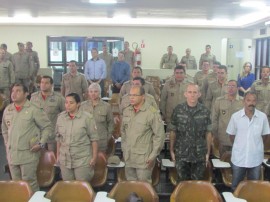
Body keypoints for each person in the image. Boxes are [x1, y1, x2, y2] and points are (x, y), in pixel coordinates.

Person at [2, 83, 52, 192]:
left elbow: (47, 127)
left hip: (28, 153)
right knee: (16, 184)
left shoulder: (34, 109)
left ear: (26, 94)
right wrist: (7, 144)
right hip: (12, 154)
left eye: (18, 91)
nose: (14, 94)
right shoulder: (8, 109)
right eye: (13, 91)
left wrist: (41, 143)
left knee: (29, 183)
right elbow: (5, 130)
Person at [226, 92, 270, 191]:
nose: (251, 103)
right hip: (239, 158)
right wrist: (241, 145)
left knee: (253, 187)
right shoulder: (235, 117)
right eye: (248, 100)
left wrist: (255, 145)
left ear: (256, 102)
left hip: (255, 158)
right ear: (243, 101)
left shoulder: (262, 117)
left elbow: (265, 136)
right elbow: (231, 135)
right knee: (236, 187)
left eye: (254, 100)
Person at [121, 86, 165, 183]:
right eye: (130, 95)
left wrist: (153, 156)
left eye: (135, 95)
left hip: (144, 158)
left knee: (143, 188)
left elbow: (159, 136)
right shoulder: (127, 111)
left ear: (143, 96)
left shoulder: (151, 113)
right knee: (131, 186)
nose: (131, 98)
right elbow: (123, 133)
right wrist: (124, 150)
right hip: (129, 156)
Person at [169, 83, 212, 181]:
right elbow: (173, 132)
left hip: (199, 153)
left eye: (195, 92)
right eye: (190, 92)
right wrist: (171, 151)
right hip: (181, 152)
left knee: (197, 183)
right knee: (182, 183)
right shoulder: (178, 110)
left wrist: (208, 153)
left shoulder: (205, 111)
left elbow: (208, 133)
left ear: (199, 94)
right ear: (185, 94)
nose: (192, 95)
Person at [56, 93, 99, 181]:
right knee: (68, 187)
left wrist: (94, 158)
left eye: (71, 103)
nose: (68, 105)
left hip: (82, 159)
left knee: (81, 188)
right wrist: (58, 155)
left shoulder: (87, 118)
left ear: (78, 104)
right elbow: (58, 138)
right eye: (66, 102)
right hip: (65, 159)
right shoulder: (61, 118)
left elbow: (94, 139)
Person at [30, 76, 65, 153]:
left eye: (46, 83)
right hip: (37, 135)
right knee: (39, 159)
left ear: (51, 85)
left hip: (52, 135)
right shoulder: (34, 97)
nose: (43, 85)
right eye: (42, 82)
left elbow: (65, 114)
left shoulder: (58, 98)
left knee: (53, 159)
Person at [212, 80, 243, 157]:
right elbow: (214, 118)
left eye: (233, 86)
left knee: (237, 162)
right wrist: (215, 134)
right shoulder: (219, 101)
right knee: (222, 162)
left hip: (238, 138)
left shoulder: (242, 102)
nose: (230, 88)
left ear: (238, 88)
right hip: (223, 138)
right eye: (228, 86)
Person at [80, 83, 114, 152]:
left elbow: (111, 123)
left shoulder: (106, 106)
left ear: (99, 92)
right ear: (88, 93)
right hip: (86, 141)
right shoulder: (83, 106)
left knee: (100, 160)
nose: (93, 94)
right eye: (91, 91)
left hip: (101, 141)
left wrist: (108, 137)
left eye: (95, 91)